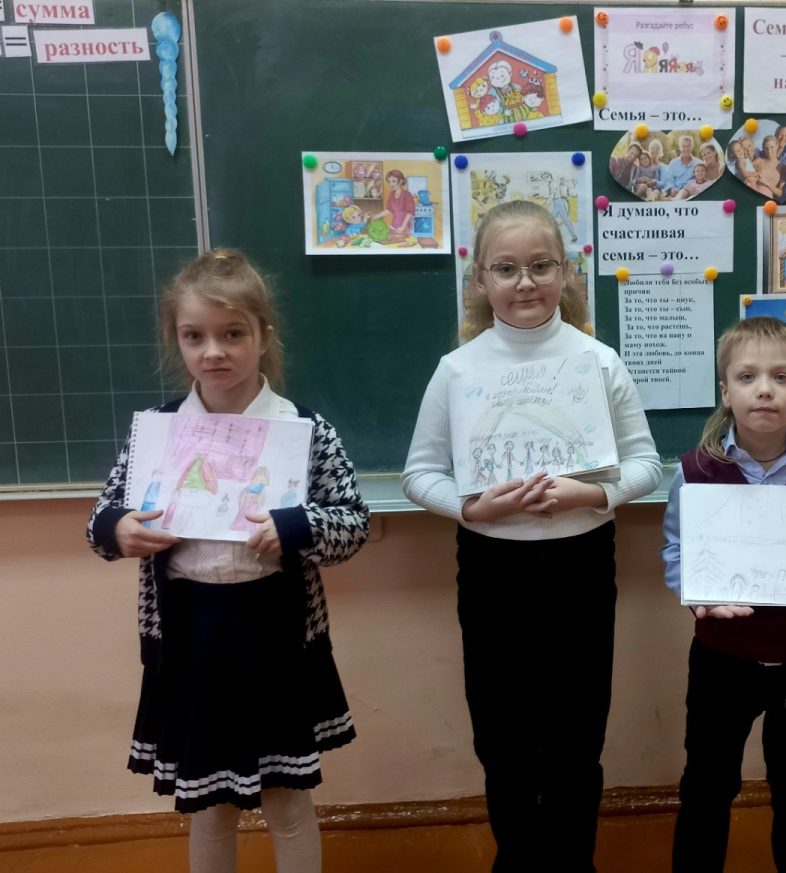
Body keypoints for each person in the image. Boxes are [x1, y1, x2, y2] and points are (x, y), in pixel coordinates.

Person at [86, 249, 369, 873]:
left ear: (263, 336)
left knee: (287, 798)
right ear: (177, 341)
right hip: (190, 634)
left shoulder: (304, 430)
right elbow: (102, 518)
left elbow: (352, 525)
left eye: (232, 334)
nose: (213, 352)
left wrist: (296, 527)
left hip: (275, 634)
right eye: (195, 336)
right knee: (208, 804)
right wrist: (119, 529)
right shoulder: (158, 431)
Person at [401, 200, 662, 872]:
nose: (525, 282)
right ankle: (516, 859)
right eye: (507, 268)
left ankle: (575, 862)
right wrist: (472, 510)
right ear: (480, 278)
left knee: (578, 736)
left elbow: (646, 464)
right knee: (502, 738)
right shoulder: (457, 370)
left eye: (541, 266)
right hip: (493, 565)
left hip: (582, 560)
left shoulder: (598, 361)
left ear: (566, 272)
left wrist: (593, 494)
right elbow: (419, 474)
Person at [662, 316, 786, 873]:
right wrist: (696, 594)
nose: (764, 390)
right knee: (707, 783)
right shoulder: (696, 472)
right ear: (725, 391)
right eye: (747, 376)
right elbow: (678, 549)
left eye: (781, 377)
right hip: (722, 659)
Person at [372, 169, 415, 237]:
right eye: (389, 181)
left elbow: (409, 213)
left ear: (400, 181)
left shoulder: (407, 195)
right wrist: (378, 215)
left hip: (403, 227)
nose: (391, 184)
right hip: (393, 226)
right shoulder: (392, 194)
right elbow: (389, 210)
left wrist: (403, 227)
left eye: (393, 181)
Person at [752, 134, 785, 199]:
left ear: (777, 146)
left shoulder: (782, 167)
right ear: (763, 149)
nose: (769, 151)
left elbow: (780, 193)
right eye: (766, 148)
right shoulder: (759, 161)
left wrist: (766, 182)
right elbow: (743, 172)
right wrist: (753, 174)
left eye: (772, 147)